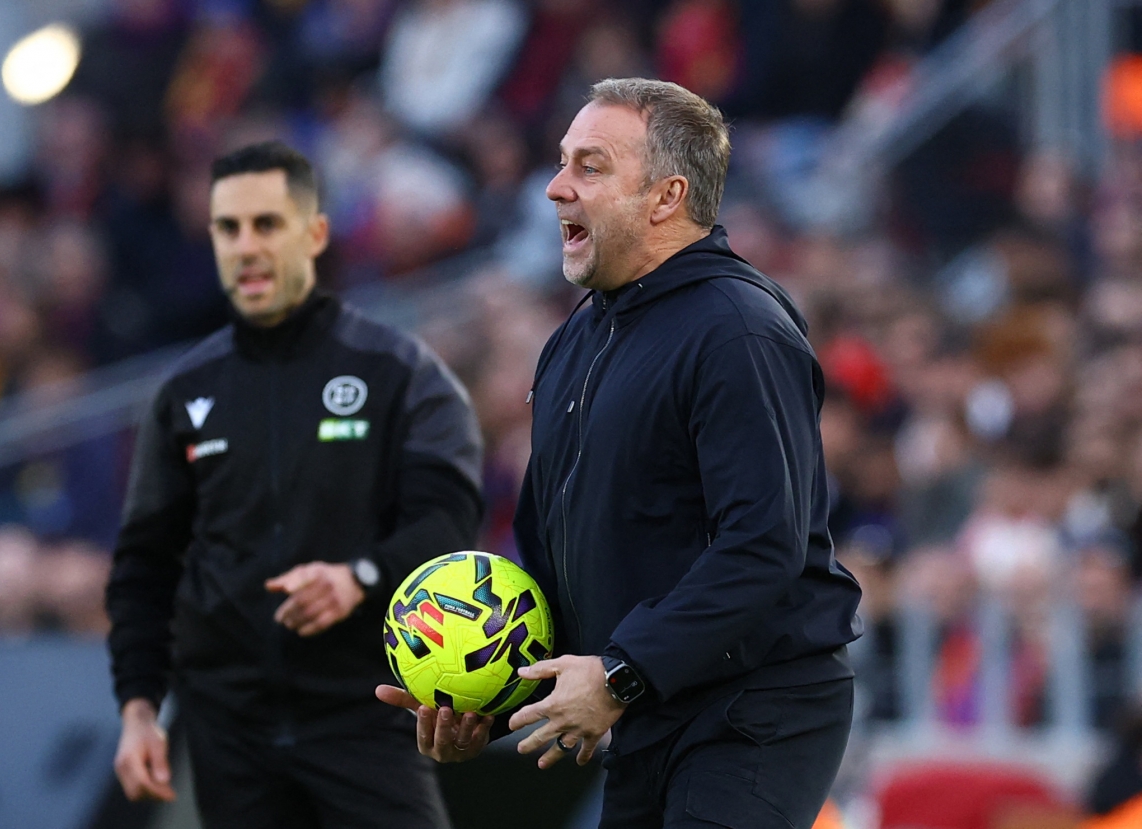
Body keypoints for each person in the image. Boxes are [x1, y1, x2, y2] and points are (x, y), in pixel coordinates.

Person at [379, 78, 862, 828]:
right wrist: (489, 692)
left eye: (591, 166)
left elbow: (763, 545)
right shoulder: (572, 341)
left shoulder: (738, 330)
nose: (555, 187)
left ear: (667, 197)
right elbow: (556, 559)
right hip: (646, 709)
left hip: (753, 711)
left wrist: (620, 673)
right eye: (561, 161)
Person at [106, 141, 482, 829]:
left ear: (315, 233)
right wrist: (138, 708)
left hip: (363, 711)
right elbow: (143, 565)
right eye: (229, 228)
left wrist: (359, 578)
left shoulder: (399, 371)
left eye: (267, 224)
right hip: (228, 729)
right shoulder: (183, 392)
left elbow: (449, 522)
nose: (246, 246)